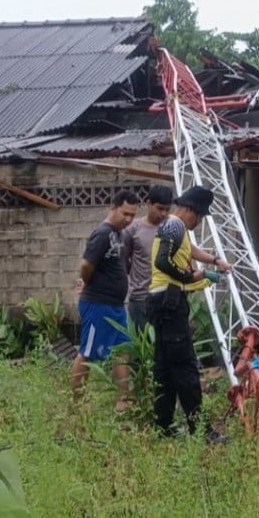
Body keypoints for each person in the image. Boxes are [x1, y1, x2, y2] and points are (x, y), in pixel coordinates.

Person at [146, 185, 233, 442]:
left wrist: (214, 261)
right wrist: (190, 275)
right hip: (170, 301)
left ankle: (163, 426)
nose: (201, 220)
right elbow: (163, 261)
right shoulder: (174, 225)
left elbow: (189, 250)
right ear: (190, 210)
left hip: (160, 301)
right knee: (185, 368)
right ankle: (201, 431)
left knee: (165, 368)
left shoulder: (175, 228)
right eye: (201, 215)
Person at [70, 190, 139, 412]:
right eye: (125, 213)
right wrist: (87, 282)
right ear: (113, 207)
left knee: (123, 349)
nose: (128, 219)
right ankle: (77, 402)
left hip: (116, 306)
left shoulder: (119, 234)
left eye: (132, 215)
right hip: (98, 303)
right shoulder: (102, 233)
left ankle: (123, 399)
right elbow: (85, 265)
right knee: (88, 351)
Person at [121, 185, 173, 332]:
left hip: (166, 296)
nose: (163, 213)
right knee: (141, 349)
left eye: (167, 209)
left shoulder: (171, 227)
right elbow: (124, 259)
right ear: (148, 203)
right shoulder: (133, 229)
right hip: (141, 297)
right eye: (159, 208)